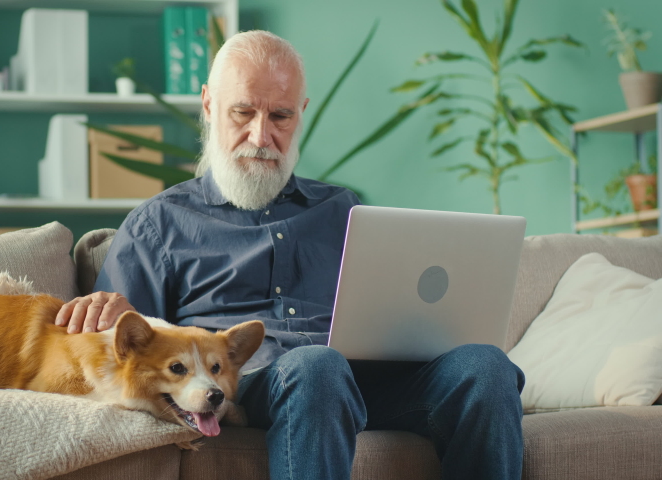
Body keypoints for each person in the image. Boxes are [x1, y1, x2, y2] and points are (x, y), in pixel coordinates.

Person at [55, 30, 524, 480]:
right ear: (208, 105)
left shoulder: (344, 208)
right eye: (243, 112)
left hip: (364, 382)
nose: (261, 136)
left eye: (280, 116)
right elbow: (125, 350)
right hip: (254, 383)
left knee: (485, 366)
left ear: (301, 112)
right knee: (316, 366)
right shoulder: (160, 223)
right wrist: (113, 314)